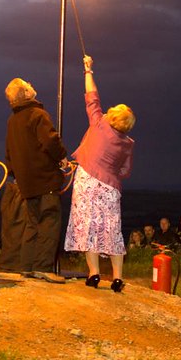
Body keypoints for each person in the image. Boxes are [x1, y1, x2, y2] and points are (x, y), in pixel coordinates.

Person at [63, 55, 136, 293]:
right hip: (110, 188)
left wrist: (88, 70)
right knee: (111, 229)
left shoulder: (100, 124)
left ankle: (94, 274)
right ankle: (117, 278)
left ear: (112, 117)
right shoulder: (128, 143)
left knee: (88, 226)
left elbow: (91, 98)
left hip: (87, 181)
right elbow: (125, 171)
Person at [4, 77, 68, 284]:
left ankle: (27, 267)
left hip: (26, 182)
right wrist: (62, 157)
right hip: (45, 178)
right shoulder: (38, 115)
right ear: (27, 93)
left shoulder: (12, 121)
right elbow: (50, 140)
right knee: (50, 220)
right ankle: (43, 267)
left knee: (31, 223)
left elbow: (9, 153)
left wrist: (18, 175)